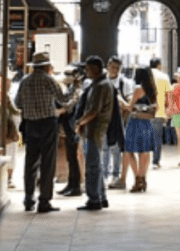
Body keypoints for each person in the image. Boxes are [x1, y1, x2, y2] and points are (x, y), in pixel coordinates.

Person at [14, 51, 74, 213]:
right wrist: (73, 91)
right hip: (48, 123)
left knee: (30, 162)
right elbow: (63, 99)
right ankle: (44, 200)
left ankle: (28, 199)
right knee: (48, 162)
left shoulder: (25, 81)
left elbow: (18, 103)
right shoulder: (49, 80)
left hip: (30, 125)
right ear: (46, 66)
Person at [74, 56, 114, 210]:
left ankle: (94, 199)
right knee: (97, 165)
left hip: (95, 130)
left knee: (92, 167)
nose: (86, 71)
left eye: (88, 68)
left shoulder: (100, 86)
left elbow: (93, 111)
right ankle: (101, 197)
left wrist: (79, 122)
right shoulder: (100, 84)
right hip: (96, 130)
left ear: (96, 69)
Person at [121, 65, 157, 192]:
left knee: (129, 150)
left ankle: (137, 179)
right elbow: (155, 108)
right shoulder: (153, 89)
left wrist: (120, 99)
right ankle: (143, 179)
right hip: (147, 123)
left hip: (135, 122)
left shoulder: (138, 89)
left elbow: (129, 107)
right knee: (145, 152)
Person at [56, 64, 84, 197]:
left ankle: (75, 186)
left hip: (73, 126)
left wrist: (61, 110)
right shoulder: (71, 87)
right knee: (70, 157)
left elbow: (72, 103)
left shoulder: (79, 89)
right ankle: (71, 184)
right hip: (68, 125)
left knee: (73, 157)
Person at [105, 57, 133, 188]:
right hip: (104, 120)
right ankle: (104, 176)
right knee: (104, 149)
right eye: (112, 67)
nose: (114, 70)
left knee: (116, 149)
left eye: (117, 68)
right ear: (108, 66)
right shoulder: (102, 80)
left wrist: (120, 101)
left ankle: (115, 175)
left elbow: (129, 102)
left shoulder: (124, 83)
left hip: (118, 120)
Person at [149, 57, 171, 169]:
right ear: (158, 65)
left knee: (145, 136)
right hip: (159, 111)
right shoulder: (164, 76)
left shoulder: (145, 75)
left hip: (145, 111)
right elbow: (168, 96)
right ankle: (155, 161)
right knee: (157, 138)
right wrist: (168, 111)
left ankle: (143, 160)